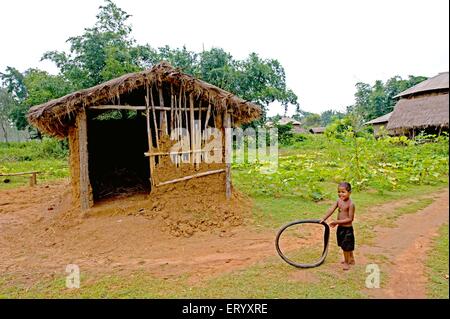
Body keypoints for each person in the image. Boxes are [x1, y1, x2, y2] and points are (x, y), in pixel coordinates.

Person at [320, 182, 355, 270]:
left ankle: (347, 262)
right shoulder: (338, 201)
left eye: (343, 192)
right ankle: (351, 259)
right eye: (339, 192)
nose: (340, 194)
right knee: (345, 245)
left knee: (346, 247)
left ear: (349, 192)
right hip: (341, 228)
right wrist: (324, 218)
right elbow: (331, 209)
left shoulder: (351, 204)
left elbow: (350, 219)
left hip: (347, 229)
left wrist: (336, 222)